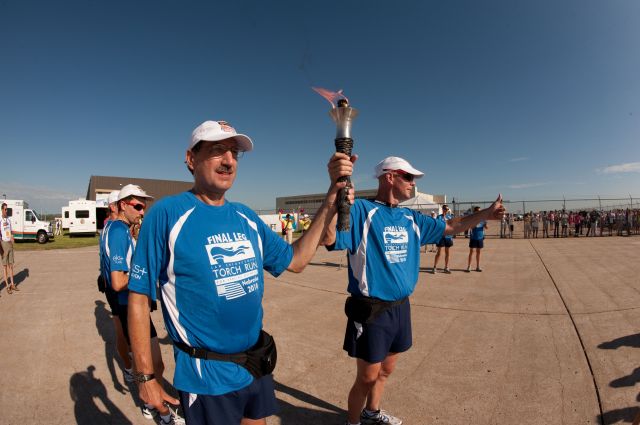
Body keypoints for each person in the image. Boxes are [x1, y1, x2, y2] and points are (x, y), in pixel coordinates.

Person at [127, 119, 355, 425]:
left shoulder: (246, 216)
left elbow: (296, 260)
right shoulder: (167, 215)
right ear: (191, 159)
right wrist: (145, 377)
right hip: (206, 374)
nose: (229, 160)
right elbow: (139, 297)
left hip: (254, 362)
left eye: (234, 152)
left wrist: (330, 198)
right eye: (217, 150)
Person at [321, 156, 505, 425]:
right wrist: (334, 201)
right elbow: (329, 239)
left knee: (386, 370)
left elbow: (453, 226)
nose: (413, 183)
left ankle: (372, 412)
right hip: (371, 311)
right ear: (389, 177)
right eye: (408, 177)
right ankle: (353, 422)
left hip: (401, 307)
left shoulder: (411, 218)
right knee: (367, 377)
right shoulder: (361, 210)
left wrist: (486, 214)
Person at [104, 184, 178, 424]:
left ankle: (150, 403)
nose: (142, 211)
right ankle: (161, 411)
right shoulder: (117, 231)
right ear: (123, 205)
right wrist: (144, 273)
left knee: (155, 364)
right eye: (137, 206)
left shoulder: (119, 229)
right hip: (129, 305)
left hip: (129, 305)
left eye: (144, 206)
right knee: (151, 365)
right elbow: (117, 281)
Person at [98, 190, 134, 384]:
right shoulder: (116, 230)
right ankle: (132, 368)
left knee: (120, 328)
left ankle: (129, 368)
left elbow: (104, 257)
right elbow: (119, 277)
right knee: (126, 331)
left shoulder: (108, 228)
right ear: (116, 206)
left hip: (109, 285)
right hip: (119, 290)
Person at [1, 203, 18, 294]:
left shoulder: (9, 220)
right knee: (5, 266)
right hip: (3, 244)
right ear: (2, 210)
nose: (6, 211)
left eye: (7, 209)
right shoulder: (0, 220)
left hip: (10, 243)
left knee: (11, 265)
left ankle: (12, 284)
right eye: (5, 209)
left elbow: (10, 231)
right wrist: (1, 248)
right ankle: (7, 286)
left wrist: (12, 237)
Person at [432, 204, 453, 273]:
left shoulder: (449, 217)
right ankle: (434, 267)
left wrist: (452, 236)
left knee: (448, 253)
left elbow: (451, 227)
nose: (446, 210)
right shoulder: (439, 217)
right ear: (443, 209)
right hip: (441, 237)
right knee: (439, 253)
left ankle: (446, 267)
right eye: (445, 209)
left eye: (447, 209)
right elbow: (437, 226)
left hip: (448, 237)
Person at [466, 206, 487, 272]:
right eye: (478, 211)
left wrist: (485, 225)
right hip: (473, 237)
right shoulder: (472, 219)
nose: (479, 212)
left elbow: (486, 227)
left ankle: (478, 266)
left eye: (480, 211)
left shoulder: (482, 219)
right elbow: (469, 227)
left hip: (480, 237)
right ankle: (469, 266)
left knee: (479, 252)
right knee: (471, 252)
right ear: (475, 212)